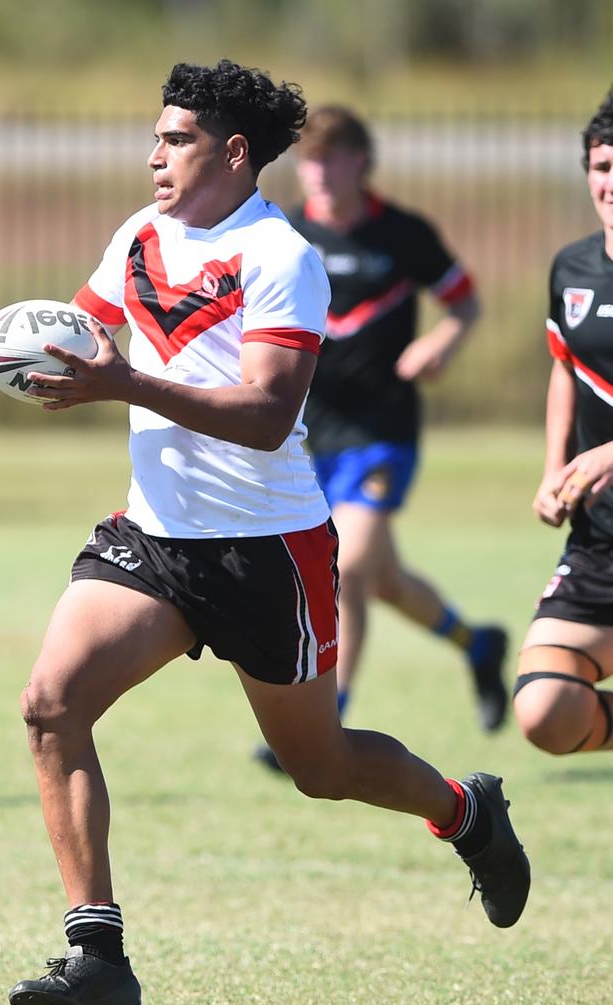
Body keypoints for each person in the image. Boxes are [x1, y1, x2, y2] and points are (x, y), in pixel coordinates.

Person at [6, 61, 530, 1005]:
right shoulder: (138, 235)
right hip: (154, 538)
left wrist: (120, 384)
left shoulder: (280, 257)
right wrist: (38, 351)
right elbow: (91, 330)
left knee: (320, 769)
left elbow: (263, 410)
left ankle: (466, 811)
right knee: (50, 704)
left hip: (267, 551)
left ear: (233, 153)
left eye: (175, 139)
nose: (153, 154)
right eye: (156, 136)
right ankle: (98, 955)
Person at [252, 105, 507, 778]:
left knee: (351, 566)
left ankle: (328, 717)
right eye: (310, 159)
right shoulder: (284, 234)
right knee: (384, 581)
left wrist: (441, 342)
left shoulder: (403, 234)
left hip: (384, 432)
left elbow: (466, 302)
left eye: (333, 157)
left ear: (361, 162)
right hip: (309, 435)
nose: (321, 172)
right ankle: (477, 644)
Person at [513, 88, 613, 759]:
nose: (612, 182)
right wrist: (555, 468)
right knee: (545, 710)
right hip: (602, 539)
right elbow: (564, 367)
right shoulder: (573, 267)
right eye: (603, 166)